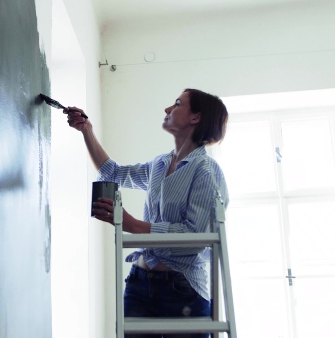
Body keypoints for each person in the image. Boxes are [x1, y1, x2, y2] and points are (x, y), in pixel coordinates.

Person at [65, 88, 229, 338]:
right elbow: (113, 173)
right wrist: (86, 129)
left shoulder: (205, 170)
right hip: (139, 284)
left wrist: (132, 225)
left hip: (183, 289)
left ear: (196, 117)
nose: (167, 109)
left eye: (176, 104)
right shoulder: (160, 164)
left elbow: (196, 236)